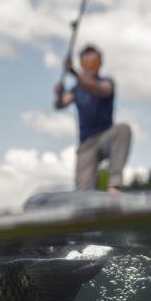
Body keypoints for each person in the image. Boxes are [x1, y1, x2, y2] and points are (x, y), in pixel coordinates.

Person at [54, 44, 131, 193]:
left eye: (94, 63)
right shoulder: (76, 90)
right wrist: (59, 94)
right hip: (86, 144)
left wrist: (74, 73)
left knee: (123, 130)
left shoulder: (107, 82)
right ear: (82, 64)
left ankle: (114, 185)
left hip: (106, 136)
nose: (90, 68)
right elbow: (60, 104)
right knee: (83, 193)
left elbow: (99, 90)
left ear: (100, 64)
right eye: (86, 64)